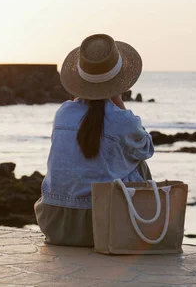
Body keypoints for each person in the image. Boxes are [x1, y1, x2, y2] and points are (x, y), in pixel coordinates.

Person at [34, 34, 154, 247]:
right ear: (120, 82)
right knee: (138, 159)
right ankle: (145, 227)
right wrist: (120, 104)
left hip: (55, 223)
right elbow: (146, 148)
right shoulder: (122, 120)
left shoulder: (63, 113)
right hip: (103, 227)